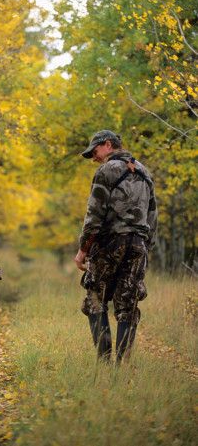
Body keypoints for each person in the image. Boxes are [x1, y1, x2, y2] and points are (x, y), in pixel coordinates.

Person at [74, 130, 157, 364]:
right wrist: (145, 249)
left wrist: (82, 251)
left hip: (110, 243)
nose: (94, 158)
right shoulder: (145, 172)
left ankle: (104, 362)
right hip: (138, 244)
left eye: (95, 151)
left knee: (95, 300)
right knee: (127, 304)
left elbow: (94, 216)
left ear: (108, 144)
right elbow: (153, 217)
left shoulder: (106, 171)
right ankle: (122, 366)